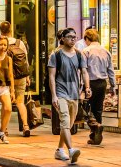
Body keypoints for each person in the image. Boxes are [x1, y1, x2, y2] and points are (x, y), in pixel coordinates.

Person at [48, 28, 91, 165]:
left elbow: (84, 72)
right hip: (61, 92)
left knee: (68, 124)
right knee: (65, 121)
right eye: (70, 37)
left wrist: (87, 87)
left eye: (74, 37)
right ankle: (71, 150)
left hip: (74, 93)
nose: (73, 39)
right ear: (63, 39)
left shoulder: (79, 55)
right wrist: (54, 95)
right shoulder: (56, 55)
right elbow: (51, 76)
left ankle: (60, 149)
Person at [82, 28, 115, 145]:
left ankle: (95, 126)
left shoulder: (86, 51)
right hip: (102, 83)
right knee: (98, 109)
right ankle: (95, 135)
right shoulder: (106, 51)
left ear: (87, 38)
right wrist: (113, 86)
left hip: (89, 83)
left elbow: (83, 70)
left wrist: (82, 85)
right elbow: (111, 70)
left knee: (84, 108)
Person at [0, 21, 32, 137]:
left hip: (7, 77)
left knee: (6, 103)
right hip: (21, 76)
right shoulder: (20, 43)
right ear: (11, 30)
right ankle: (25, 126)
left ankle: (5, 129)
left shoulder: (1, 43)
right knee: (20, 102)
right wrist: (27, 76)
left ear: (0, 31)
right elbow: (26, 61)